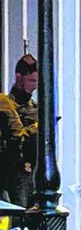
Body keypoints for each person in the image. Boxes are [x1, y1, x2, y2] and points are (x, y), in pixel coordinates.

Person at [0, 55, 37, 206]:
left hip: (30, 172)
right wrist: (36, 128)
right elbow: (17, 136)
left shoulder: (33, 106)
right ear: (19, 78)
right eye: (32, 81)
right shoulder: (5, 104)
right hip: (10, 170)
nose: (35, 86)